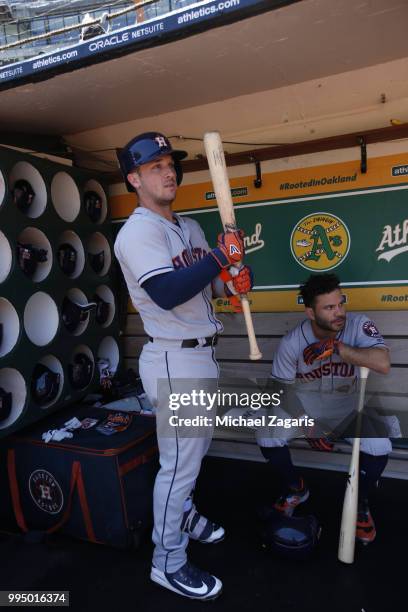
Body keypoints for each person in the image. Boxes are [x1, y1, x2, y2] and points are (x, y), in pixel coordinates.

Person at [114, 132, 253, 600]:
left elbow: (204, 291)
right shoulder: (136, 232)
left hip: (201, 353)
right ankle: (167, 561)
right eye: (154, 166)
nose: (168, 170)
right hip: (173, 358)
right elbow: (167, 292)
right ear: (134, 178)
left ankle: (185, 515)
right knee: (178, 469)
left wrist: (231, 284)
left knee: (189, 459)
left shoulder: (189, 228)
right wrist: (219, 256)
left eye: (169, 163)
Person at [256, 273, 391, 544]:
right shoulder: (292, 342)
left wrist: (338, 347)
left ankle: (360, 502)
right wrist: (307, 424)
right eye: (329, 308)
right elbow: (280, 391)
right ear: (310, 312)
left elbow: (382, 362)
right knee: (266, 432)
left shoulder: (358, 325)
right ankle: (296, 488)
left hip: (348, 405)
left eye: (340, 303)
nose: (338, 312)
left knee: (379, 445)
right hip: (306, 406)